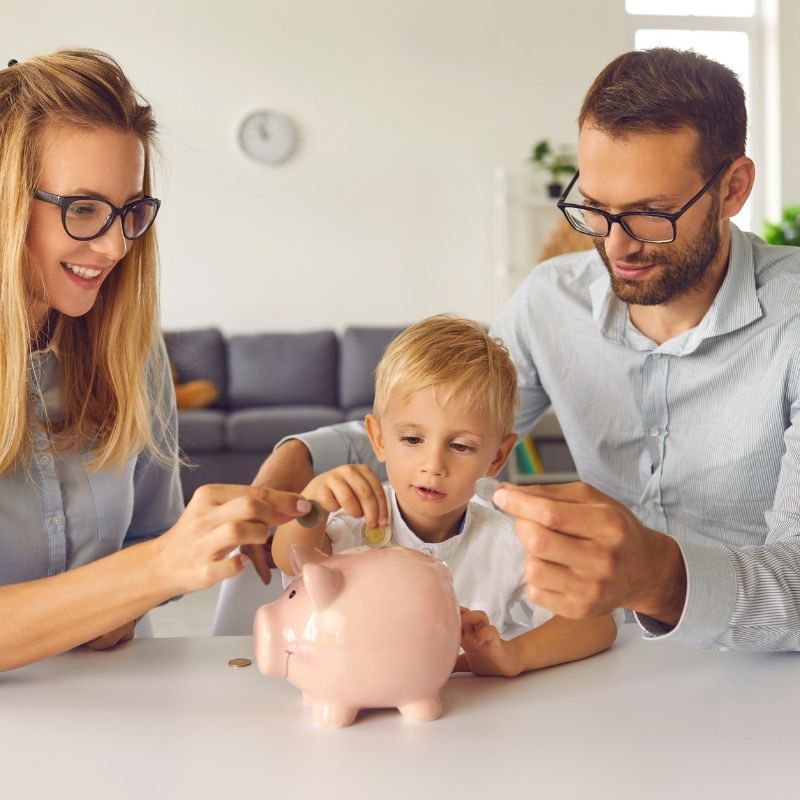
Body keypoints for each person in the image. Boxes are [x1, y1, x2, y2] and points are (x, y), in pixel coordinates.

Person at [251, 47, 800, 652]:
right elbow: (444, 420)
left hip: (766, 678)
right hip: (600, 660)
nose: (616, 246)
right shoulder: (550, 300)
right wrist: (302, 454)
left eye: (652, 214)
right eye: (595, 208)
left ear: (734, 188)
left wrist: (662, 578)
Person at [0, 49, 311, 672]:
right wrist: (149, 572)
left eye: (129, 210)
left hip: (115, 710)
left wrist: (139, 594)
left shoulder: (130, 353)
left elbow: (148, 539)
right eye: (82, 209)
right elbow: (150, 562)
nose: (116, 245)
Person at [270, 315, 617, 676]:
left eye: (461, 446)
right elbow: (289, 557)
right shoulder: (356, 520)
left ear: (497, 457)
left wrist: (515, 655)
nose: (433, 465)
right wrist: (312, 506)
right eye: (412, 440)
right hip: (360, 700)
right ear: (378, 439)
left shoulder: (508, 539)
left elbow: (597, 622)